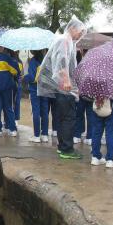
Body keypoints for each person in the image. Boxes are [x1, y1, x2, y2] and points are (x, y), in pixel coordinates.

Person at [37, 16, 87, 159]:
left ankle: (62, 146)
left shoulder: (67, 41)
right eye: (80, 32)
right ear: (72, 28)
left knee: (62, 117)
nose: (80, 35)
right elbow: (61, 62)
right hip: (63, 87)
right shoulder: (64, 40)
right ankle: (67, 149)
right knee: (68, 118)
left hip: (61, 87)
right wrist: (66, 80)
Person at [24, 50, 49, 143]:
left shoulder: (33, 61)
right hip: (45, 89)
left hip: (34, 90)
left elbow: (31, 77)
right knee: (45, 112)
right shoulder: (46, 60)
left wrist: (24, 77)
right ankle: (45, 135)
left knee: (36, 112)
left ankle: (37, 135)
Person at [90, 97, 113, 168]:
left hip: (97, 104)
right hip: (112, 104)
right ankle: (110, 159)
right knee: (110, 133)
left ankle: (95, 157)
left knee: (96, 133)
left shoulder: (93, 85)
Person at [13, 51, 24, 125]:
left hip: (11, 83)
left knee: (9, 102)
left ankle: (8, 119)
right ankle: (16, 119)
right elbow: (22, 74)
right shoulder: (20, 62)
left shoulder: (10, 60)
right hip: (19, 84)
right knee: (17, 102)